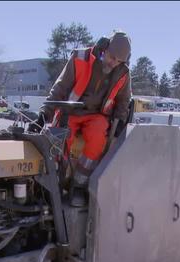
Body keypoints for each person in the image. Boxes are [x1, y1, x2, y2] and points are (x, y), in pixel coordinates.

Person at [34, 30, 132, 206]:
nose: (113, 63)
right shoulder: (80, 58)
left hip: (96, 116)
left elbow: (124, 100)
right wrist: (44, 113)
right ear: (104, 46)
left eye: (119, 61)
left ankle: (79, 185)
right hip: (69, 112)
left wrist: (120, 120)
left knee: (97, 135)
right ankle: (55, 183)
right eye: (111, 57)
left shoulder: (123, 73)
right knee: (59, 137)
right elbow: (60, 87)